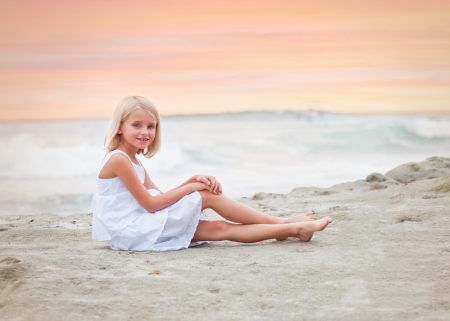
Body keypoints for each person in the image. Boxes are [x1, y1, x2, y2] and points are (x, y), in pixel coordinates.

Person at [92, 96, 332, 251]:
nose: (145, 132)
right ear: (120, 128)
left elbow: (159, 195)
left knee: (219, 229)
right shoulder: (119, 160)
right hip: (133, 230)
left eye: (151, 126)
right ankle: (284, 223)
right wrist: (192, 188)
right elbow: (151, 205)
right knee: (207, 196)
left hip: (142, 224)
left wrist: (192, 180)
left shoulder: (132, 159)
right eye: (136, 125)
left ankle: (291, 229)